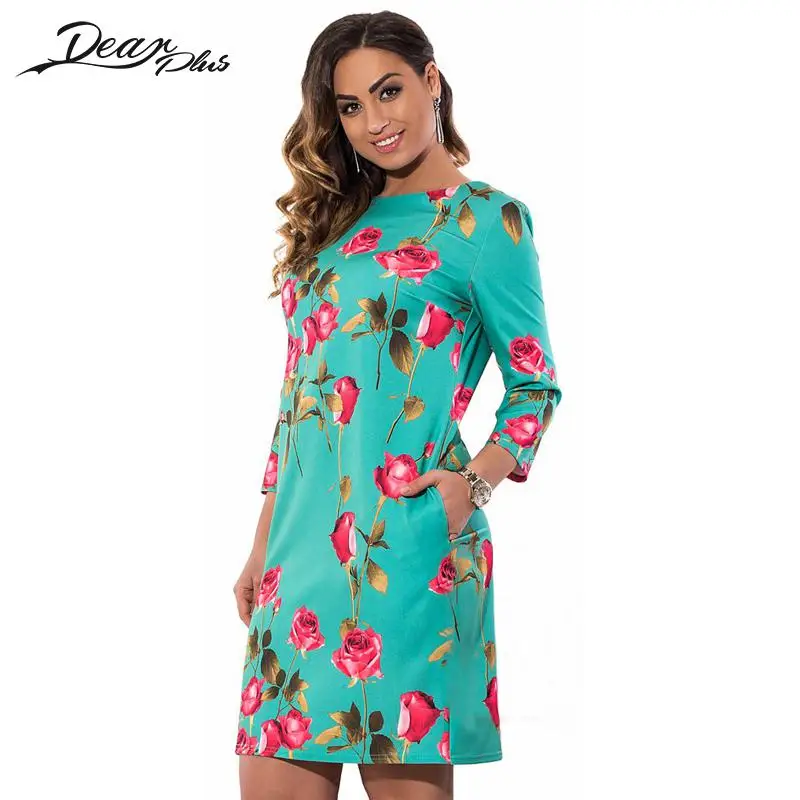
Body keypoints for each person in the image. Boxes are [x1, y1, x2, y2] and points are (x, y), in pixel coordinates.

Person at [232, 10, 563, 800]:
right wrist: (261, 543)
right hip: (299, 561)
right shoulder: (331, 226)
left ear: (431, 80)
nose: (374, 121)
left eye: (389, 92)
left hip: (408, 554)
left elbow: (535, 384)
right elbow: (301, 399)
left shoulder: (486, 221)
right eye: (350, 106)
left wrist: (472, 485)